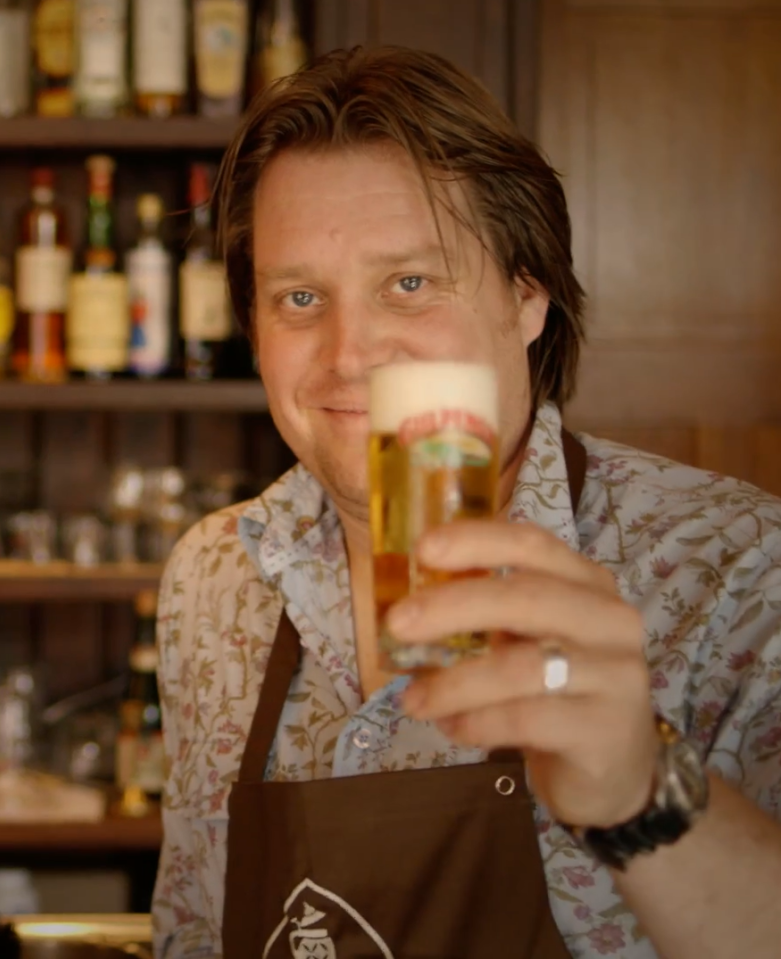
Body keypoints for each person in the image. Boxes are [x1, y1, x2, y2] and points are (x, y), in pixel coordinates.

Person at [153, 46, 781, 959]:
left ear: (527, 297)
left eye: (409, 283)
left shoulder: (737, 566)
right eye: (299, 297)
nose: (349, 353)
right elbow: (193, 933)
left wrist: (641, 789)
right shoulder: (213, 576)